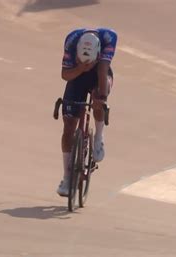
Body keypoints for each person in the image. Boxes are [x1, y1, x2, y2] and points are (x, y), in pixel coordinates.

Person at [57, 28, 117, 196]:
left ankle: (98, 138)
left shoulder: (108, 38)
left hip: (100, 75)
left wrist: (102, 98)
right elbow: (65, 75)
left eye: (91, 61)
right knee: (68, 128)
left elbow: (103, 70)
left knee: (98, 98)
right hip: (77, 76)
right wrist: (81, 68)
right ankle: (67, 178)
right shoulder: (71, 40)